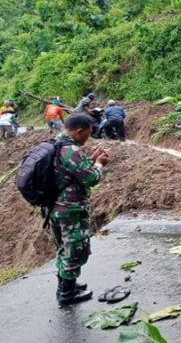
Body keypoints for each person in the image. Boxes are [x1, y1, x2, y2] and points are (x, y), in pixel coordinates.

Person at [51, 114, 109, 306]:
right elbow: (91, 179)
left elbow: (71, 173)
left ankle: (66, 285)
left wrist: (91, 160)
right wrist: (100, 164)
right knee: (76, 249)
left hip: (55, 207)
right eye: (88, 133)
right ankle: (67, 294)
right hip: (70, 208)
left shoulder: (55, 144)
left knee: (64, 247)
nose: (88, 137)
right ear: (79, 131)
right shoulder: (70, 149)